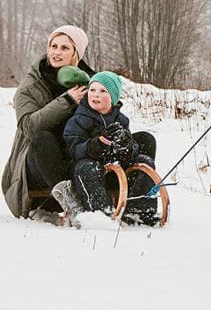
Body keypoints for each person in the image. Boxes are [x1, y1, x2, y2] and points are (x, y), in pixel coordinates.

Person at [0, 24, 96, 226]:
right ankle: (72, 204)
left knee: (140, 139)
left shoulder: (90, 83)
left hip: (75, 159)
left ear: (76, 54)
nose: (56, 53)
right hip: (37, 167)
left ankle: (136, 210)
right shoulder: (31, 85)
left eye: (64, 48)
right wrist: (67, 102)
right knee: (42, 139)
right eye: (53, 46)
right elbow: (28, 127)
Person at [52, 70, 162, 225]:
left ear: (113, 97)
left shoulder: (121, 120)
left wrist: (127, 147)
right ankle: (101, 213)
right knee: (87, 168)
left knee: (144, 160)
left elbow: (130, 151)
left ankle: (140, 210)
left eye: (103, 91)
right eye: (92, 90)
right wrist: (97, 143)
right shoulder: (79, 119)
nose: (95, 94)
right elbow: (73, 150)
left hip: (115, 169)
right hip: (88, 169)